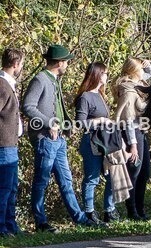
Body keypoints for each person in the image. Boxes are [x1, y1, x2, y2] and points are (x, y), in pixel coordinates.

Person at [22, 44, 96, 231]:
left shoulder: (54, 79)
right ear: (60, 63)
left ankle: (79, 218)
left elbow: (59, 109)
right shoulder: (40, 79)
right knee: (41, 181)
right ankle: (41, 222)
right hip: (45, 138)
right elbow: (28, 106)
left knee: (66, 180)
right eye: (66, 62)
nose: (67, 65)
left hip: (59, 139)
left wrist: (67, 126)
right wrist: (50, 123)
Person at [75, 62, 121, 223]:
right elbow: (79, 123)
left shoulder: (101, 95)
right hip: (91, 142)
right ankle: (89, 212)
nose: (107, 76)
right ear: (98, 75)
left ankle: (109, 210)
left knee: (112, 176)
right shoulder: (85, 97)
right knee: (92, 178)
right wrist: (100, 120)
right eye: (105, 73)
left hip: (105, 141)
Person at [113, 57, 151, 220]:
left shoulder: (138, 86)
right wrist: (133, 145)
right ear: (134, 71)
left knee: (144, 173)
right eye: (141, 69)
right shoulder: (129, 90)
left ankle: (140, 208)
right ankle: (132, 210)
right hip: (132, 134)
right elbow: (129, 120)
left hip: (141, 132)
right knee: (134, 172)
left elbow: (148, 76)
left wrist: (148, 65)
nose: (144, 72)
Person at [0, 48, 25, 237]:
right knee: (4, 188)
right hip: (4, 144)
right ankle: (2, 226)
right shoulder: (2, 85)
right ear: (15, 64)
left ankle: (10, 224)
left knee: (12, 187)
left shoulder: (9, 84)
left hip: (11, 143)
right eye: (21, 64)